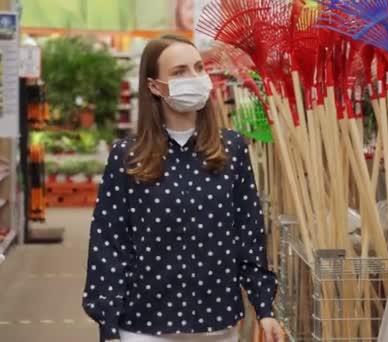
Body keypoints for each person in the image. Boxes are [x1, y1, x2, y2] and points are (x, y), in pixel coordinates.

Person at [82, 34, 283, 342]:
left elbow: (249, 234)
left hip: (217, 323)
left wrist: (264, 308)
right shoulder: (127, 157)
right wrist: (108, 327)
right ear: (153, 86)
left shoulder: (231, 149)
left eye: (198, 68)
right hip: (144, 325)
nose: (194, 78)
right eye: (179, 72)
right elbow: (109, 245)